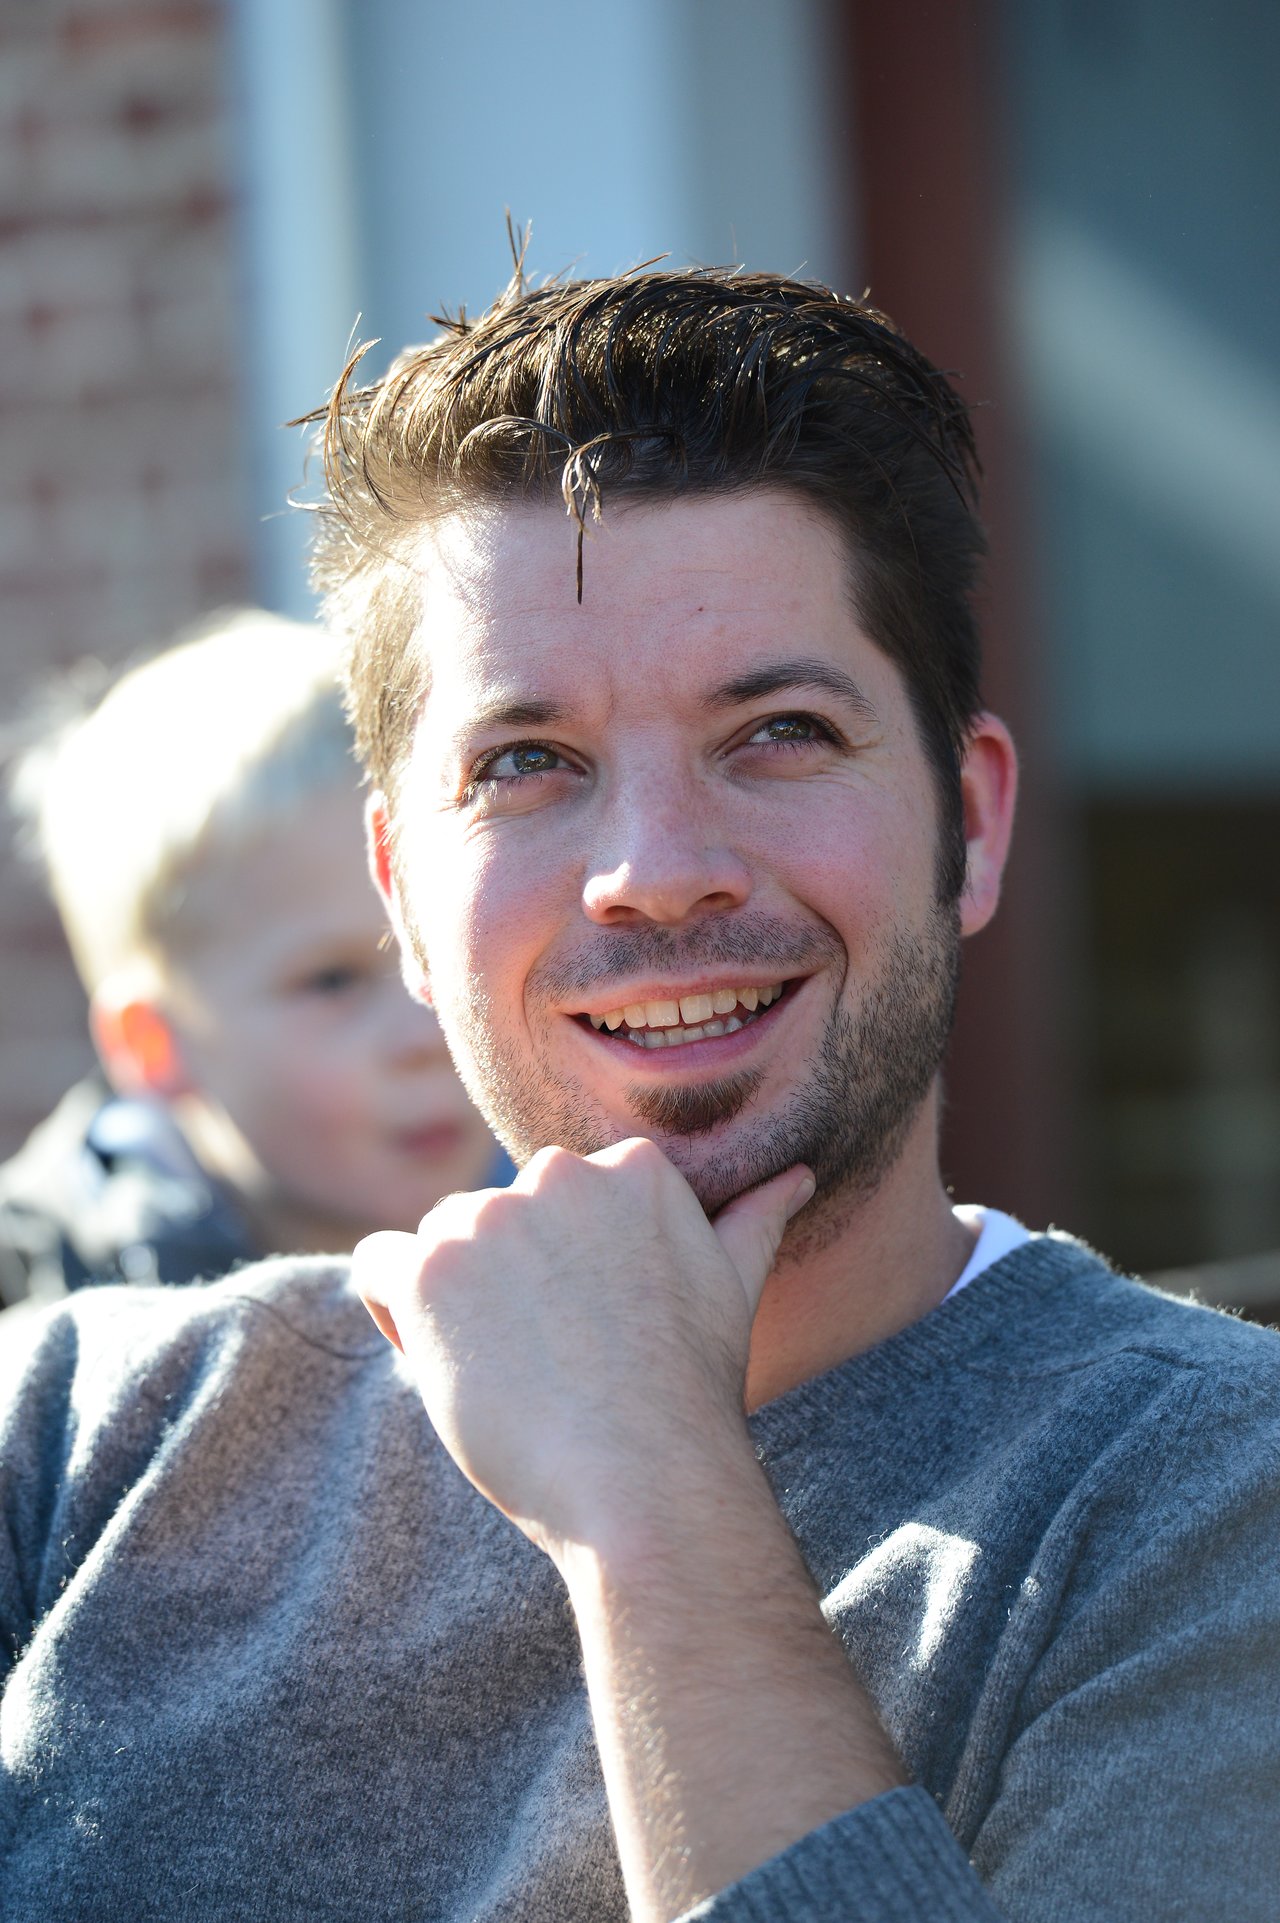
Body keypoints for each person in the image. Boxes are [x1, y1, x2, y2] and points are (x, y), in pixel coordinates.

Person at [2, 271, 1278, 1921]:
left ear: (969, 820)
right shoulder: (78, 1438)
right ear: (397, 885)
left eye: (780, 733)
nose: (654, 873)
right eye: (526, 762)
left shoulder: (1206, 1501)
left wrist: (648, 1496)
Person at [0, 609, 503, 1313]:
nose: (430, 1028)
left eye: (433, 947)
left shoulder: (602, 1217)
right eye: (334, 980)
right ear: (157, 1044)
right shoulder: (41, 1314)